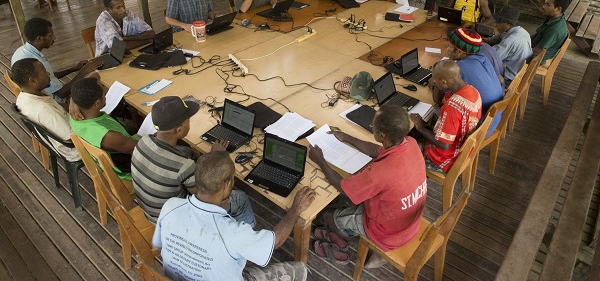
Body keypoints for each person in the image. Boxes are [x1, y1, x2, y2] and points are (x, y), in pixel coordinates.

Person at [153, 151, 315, 281]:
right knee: (299, 269)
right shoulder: (233, 233)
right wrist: (296, 209)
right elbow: (276, 241)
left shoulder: (171, 206)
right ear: (228, 183)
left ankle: (247, 250)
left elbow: (158, 244)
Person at [309, 105, 426, 268]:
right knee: (349, 203)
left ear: (382, 135)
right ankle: (371, 243)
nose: (372, 128)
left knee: (326, 214)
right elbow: (377, 151)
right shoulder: (411, 144)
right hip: (409, 222)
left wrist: (320, 160)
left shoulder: (380, 172)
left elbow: (344, 188)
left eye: (373, 127)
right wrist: (347, 137)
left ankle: (374, 249)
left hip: (388, 233)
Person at [131, 96, 255, 225]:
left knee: (187, 150)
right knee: (240, 197)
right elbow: (207, 196)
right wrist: (216, 155)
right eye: (188, 121)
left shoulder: (142, 142)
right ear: (179, 129)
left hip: (151, 211)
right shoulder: (183, 165)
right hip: (172, 222)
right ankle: (243, 236)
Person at [11, 17, 101, 108]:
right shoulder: (36, 62)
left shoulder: (21, 51)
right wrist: (83, 72)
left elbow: (50, 76)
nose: (54, 38)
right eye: (50, 35)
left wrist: (73, 69)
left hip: (39, 96)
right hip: (59, 103)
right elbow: (61, 94)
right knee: (97, 84)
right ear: (39, 38)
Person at [410, 60, 482, 173]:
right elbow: (439, 100)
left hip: (446, 158)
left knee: (405, 144)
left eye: (434, 78)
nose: (432, 81)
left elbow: (445, 145)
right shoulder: (472, 90)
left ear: (444, 82)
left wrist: (421, 128)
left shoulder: (453, 107)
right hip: (461, 146)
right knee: (422, 126)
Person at [12, 58, 82, 162]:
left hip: (62, 139)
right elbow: (72, 139)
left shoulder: (23, 97)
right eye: (44, 71)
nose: (48, 74)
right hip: (76, 150)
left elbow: (59, 106)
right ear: (33, 80)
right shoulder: (44, 110)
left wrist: (73, 102)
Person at [69, 77, 138, 179]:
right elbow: (139, 148)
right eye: (104, 94)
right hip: (128, 170)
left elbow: (95, 75)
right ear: (97, 103)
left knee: (132, 127)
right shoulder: (108, 135)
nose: (106, 95)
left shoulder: (74, 116)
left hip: (117, 151)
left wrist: (72, 99)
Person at [443, 28, 504, 115]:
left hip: (481, 124)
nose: (447, 49)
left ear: (459, 52)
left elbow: (443, 95)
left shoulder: (459, 69)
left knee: (436, 108)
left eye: (449, 46)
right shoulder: (483, 58)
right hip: (494, 116)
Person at [484, 5, 532, 85]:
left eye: (499, 21)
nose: (495, 24)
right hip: (514, 72)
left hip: (507, 79)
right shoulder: (521, 31)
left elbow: (490, 56)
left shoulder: (511, 40)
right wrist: (482, 40)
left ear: (509, 24)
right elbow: (499, 37)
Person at [531, 0, 569, 66]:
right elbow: (537, 35)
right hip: (533, 49)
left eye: (547, 5)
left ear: (558, 9)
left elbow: (537, 51)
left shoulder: (555, 30)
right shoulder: (553, 18)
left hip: (536, 58)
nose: (543, 6)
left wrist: (519, 48)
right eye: (545, 3)